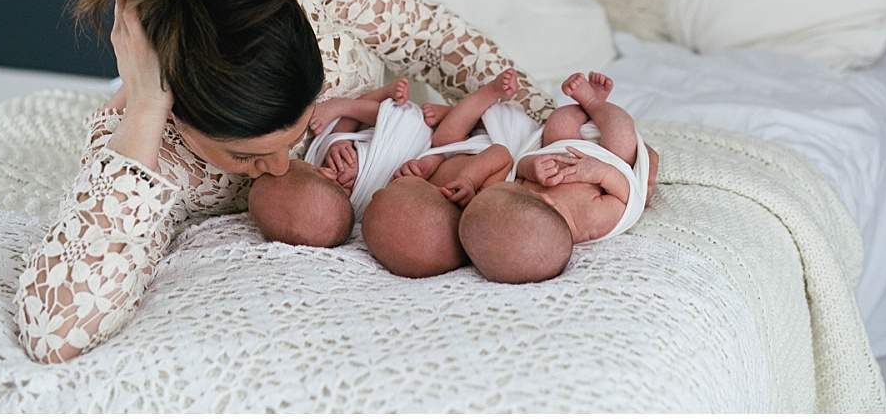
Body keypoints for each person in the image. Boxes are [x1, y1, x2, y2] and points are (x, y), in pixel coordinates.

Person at [14, 0, 553, 364]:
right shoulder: (149, 140)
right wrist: (147, 104)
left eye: (290, 135)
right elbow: (54, 331)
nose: (277, 166)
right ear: (177, 115)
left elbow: (433, 38)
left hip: (379, 56)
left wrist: (560, 125)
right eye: (246, 156)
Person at [458, 72, 656, 284]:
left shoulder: (522, 202)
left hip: (561, 147)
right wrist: (601, 172)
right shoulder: (589, 219)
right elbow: (627, 199)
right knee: (622, 131)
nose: (523, 187)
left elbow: (519, 168)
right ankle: (593, 102)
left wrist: (532, 169)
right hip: (610, 158)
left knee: (558, 122)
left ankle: (587, 106)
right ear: (546, 200)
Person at [361, 69, 527, 278]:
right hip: (501, 139)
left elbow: (437, 155)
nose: (376, 193)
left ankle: (457, 110)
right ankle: (490, 93)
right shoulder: (480, 200)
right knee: (446, 137)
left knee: (443, 139)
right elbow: (501, 154)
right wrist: (469, 179)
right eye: (384, 194)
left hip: (460, 145)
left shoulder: (433, 183)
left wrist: (424, 166)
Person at [247, 78, 412, 245]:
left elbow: (335, 139)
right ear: (325, 173)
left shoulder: (332, 196)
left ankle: (370, 97)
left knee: (345, 132)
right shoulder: (362, 210)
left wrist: (339, 143)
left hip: (390, 138)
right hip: (407, 143)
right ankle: (346, 107)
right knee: (395, 123)